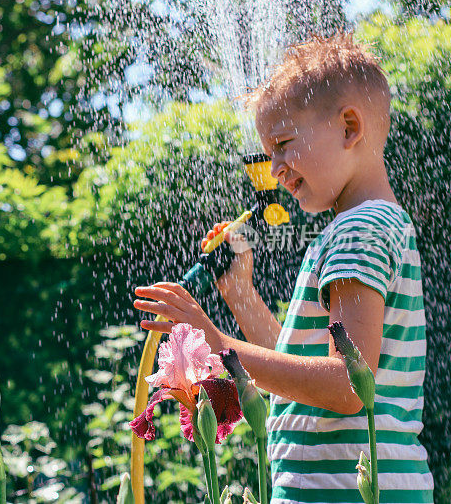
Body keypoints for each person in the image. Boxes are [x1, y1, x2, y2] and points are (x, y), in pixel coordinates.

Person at [132, 33, 434, 503]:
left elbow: (346, 386)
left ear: (350, 128)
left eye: (283, 145)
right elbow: (303, 375)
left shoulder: (359, 231)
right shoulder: (365, 228)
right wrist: (241, 296)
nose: (273, 168)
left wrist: (216, 343)